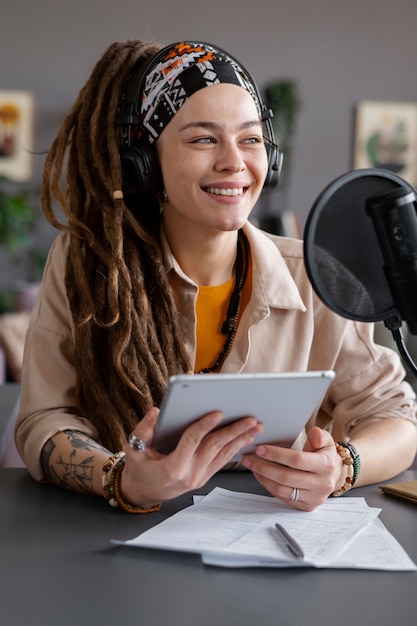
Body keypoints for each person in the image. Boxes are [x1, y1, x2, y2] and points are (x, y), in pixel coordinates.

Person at [15, 39, 417, 513]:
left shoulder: (315, 274)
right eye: (204, 139)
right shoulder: (88, 266)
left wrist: (341, 467)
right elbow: (43, 420)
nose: (234, 162)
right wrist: (121, 479)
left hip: (271, 537)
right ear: (145, 163)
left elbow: (396, 417)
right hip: (112, 536)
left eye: (250, 139)